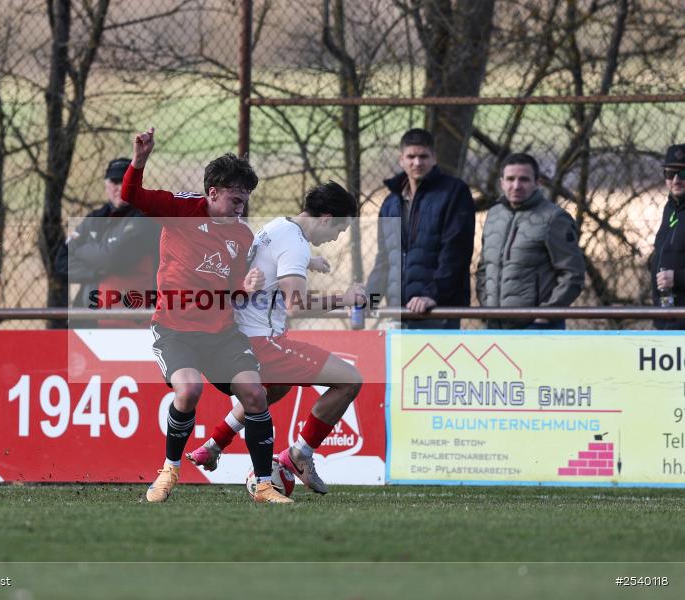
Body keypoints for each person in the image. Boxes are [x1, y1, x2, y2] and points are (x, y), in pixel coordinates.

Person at [121, 127, 292, 504]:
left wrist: (247, 285)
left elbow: (233, 287)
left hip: (220, 332)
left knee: (254, 394)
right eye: (234, 200)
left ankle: (264, 484)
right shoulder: (181, 209)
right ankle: (168, 470)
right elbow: (131, 195)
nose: (240, 208)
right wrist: (140, 160)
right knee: (188, 390)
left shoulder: (243, 236)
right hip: (175, 330)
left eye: (244, 201)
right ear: (212, 194)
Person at [185, 182, 365, 494]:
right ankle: (299, 454)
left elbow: (265, 261)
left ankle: (214, 444)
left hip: (240, 335)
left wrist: (310, 262)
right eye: (338, 230)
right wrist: (345, 299)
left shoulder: (279, 226)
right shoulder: (296, 245)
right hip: (263, 342)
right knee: (350, 380)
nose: (335, 238)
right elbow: (296, 303)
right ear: (325, 218)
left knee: (275, 388)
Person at [366, 128, 475, 328]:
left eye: (424, 156)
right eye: (411, 156)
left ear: (434, 158)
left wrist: (433, 296)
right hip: (398, 312)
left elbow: (456, 253)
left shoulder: (453, 192)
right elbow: (385, 259)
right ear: (401, 159)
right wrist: (369, 299)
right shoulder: (391, 203)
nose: (417, 162)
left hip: (437, 311)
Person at [475, 153, 585, 329]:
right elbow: (484, 268)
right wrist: (486, 307)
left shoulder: (554, 219)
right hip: (495, 326)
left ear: (537, 183)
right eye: (510, 179)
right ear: (501, 182)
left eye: (524, 179)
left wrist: (546, 314)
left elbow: (573, 274)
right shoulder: (494, 216)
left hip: (537, 329)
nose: (516, 186)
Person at [55, 157, 160, 328]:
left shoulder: (146, 218)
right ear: (106, 185)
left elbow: (114, 259)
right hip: (87, 318)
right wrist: (99, 271)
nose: (119, 187)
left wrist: (79, 248)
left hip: (132, 318)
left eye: (125, 181)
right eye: (115, 182)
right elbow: (61, 263)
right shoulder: (94, 218)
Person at [651, 143, 685, 329]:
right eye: (670, 174)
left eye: (683, 174)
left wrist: (678, 278)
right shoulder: (670, 208)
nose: (676, 180)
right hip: (665, 319)